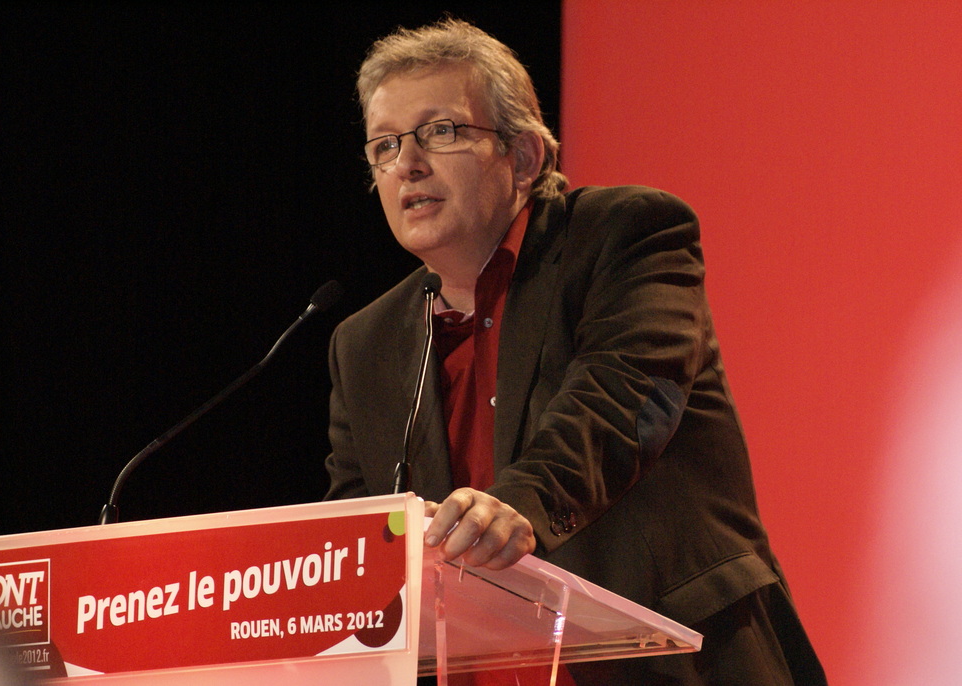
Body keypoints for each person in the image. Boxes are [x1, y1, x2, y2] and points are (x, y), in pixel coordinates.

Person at [323, 17, 826, 685]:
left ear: (525, 157)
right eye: (385, 144)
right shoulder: (365, 342)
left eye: (440, 132)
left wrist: (518, 509)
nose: (406, 163)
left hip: (669, 668)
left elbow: (621, 403)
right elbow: (356, 544)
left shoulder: (623, 236)